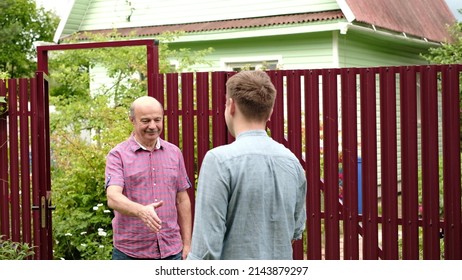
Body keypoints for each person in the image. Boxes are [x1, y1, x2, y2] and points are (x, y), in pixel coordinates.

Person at [187, 70, 307, 260]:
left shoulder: (219, 160)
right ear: (270, 112)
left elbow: (206, 251)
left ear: (231, 105)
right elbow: (294, 231)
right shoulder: (292, 162)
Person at [105, 96, 192, 260]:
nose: (153, 126)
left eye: (157, 120)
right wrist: (141, 211)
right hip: (130, 254)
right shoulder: (118, 155)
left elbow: (182, 199)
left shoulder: (174, 153)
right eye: (145, 120)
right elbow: (113, 197)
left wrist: (187, 243)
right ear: (132, 120)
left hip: (172, 251)